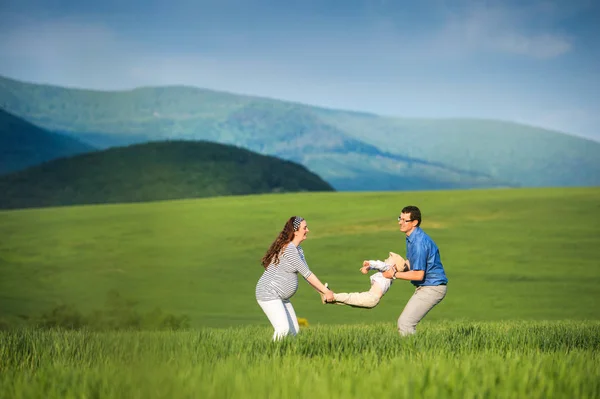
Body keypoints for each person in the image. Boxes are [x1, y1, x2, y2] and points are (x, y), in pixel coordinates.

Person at [255, 216, 334, 341]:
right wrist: (326, 291)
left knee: (294, 331)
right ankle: (269, 355)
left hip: (281, 296)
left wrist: (321, 293)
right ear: (296, 231)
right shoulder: (289, 249)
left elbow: (307, 276)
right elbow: (307, 274)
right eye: (305, 228)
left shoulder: (298, 250)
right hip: (269, 293)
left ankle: (284, 356)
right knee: (283, 329)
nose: (307, 230)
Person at [381, 205, 448, 336]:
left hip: (432, 288)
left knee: (405, 323)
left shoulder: (419, 242)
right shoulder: (413, 237)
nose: (400, 222)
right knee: (405, 323)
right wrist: (399, 266)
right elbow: (413, 262)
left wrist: (394, 274)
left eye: (405, 220)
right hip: (427, 286)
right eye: (400, 218)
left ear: (415, 222)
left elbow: (418, 275)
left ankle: (414, 353)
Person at [320, 252, 410, 308]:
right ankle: (329, 299)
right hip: (371, 298)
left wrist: (369, 263)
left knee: (350, 298)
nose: (386, 259)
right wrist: (368, 268)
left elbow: (379, 264)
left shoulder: (389, 268)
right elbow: (379, 267)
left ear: (394, 265)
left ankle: (329, 295)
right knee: (350, 300)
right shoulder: (390, 271)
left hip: (371, 298)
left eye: (389, 259)